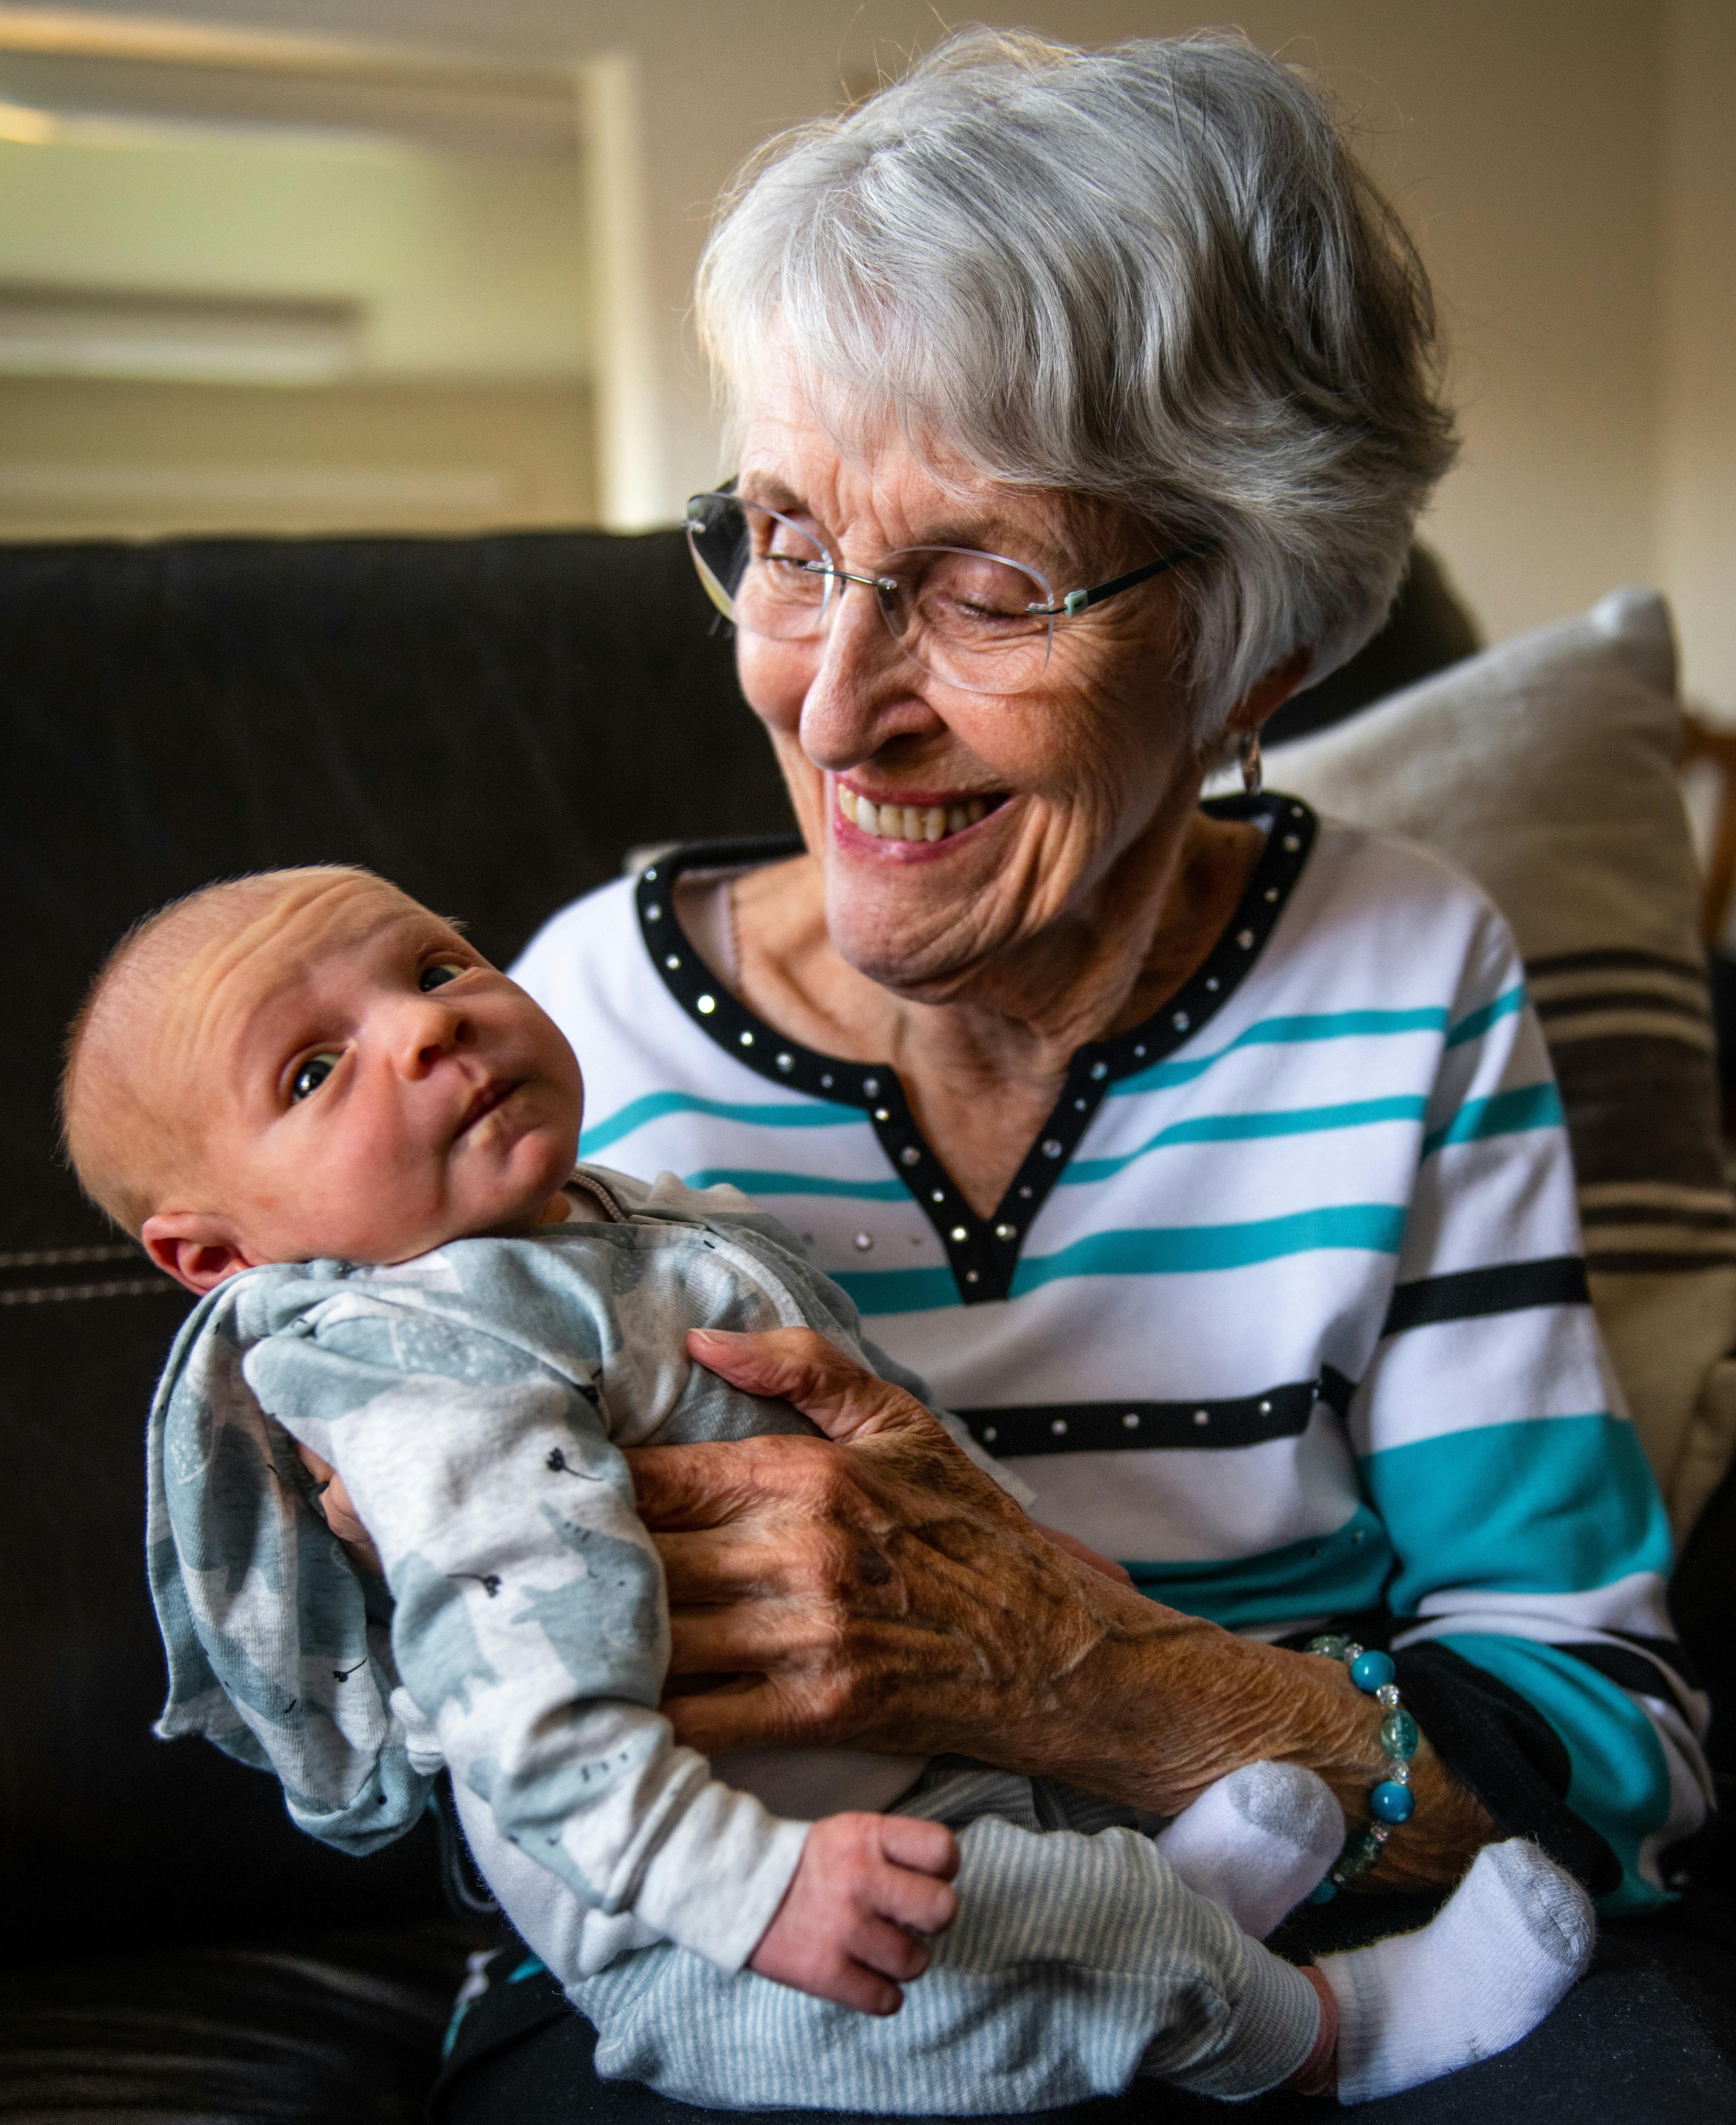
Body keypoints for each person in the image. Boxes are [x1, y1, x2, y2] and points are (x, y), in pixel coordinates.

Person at [485, 24, 1714, 2116]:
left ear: (1253, 649)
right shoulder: (560, 1039)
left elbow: (1605, 1742)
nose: (834, 706)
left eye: (985, 585)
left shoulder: (1402, 971)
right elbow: (475, 1734)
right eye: (787, 538)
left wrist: (1092, 1684)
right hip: (757, 1959)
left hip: (1326, 1938)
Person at [61, 864, 1593, 2111]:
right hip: (723, 1938)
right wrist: (748, 1889)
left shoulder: (612, 1228)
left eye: (438, 963)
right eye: (313, 1070)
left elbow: (867, 1417)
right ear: (216, 1256)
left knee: (1072, 1879)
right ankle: (1320, 2034)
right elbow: (523, 1699)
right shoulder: (424, 1369)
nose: (425, 1027)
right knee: (1041, 1946)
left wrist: (1043, 1571)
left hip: (917, 1788)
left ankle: (1179, 1909)